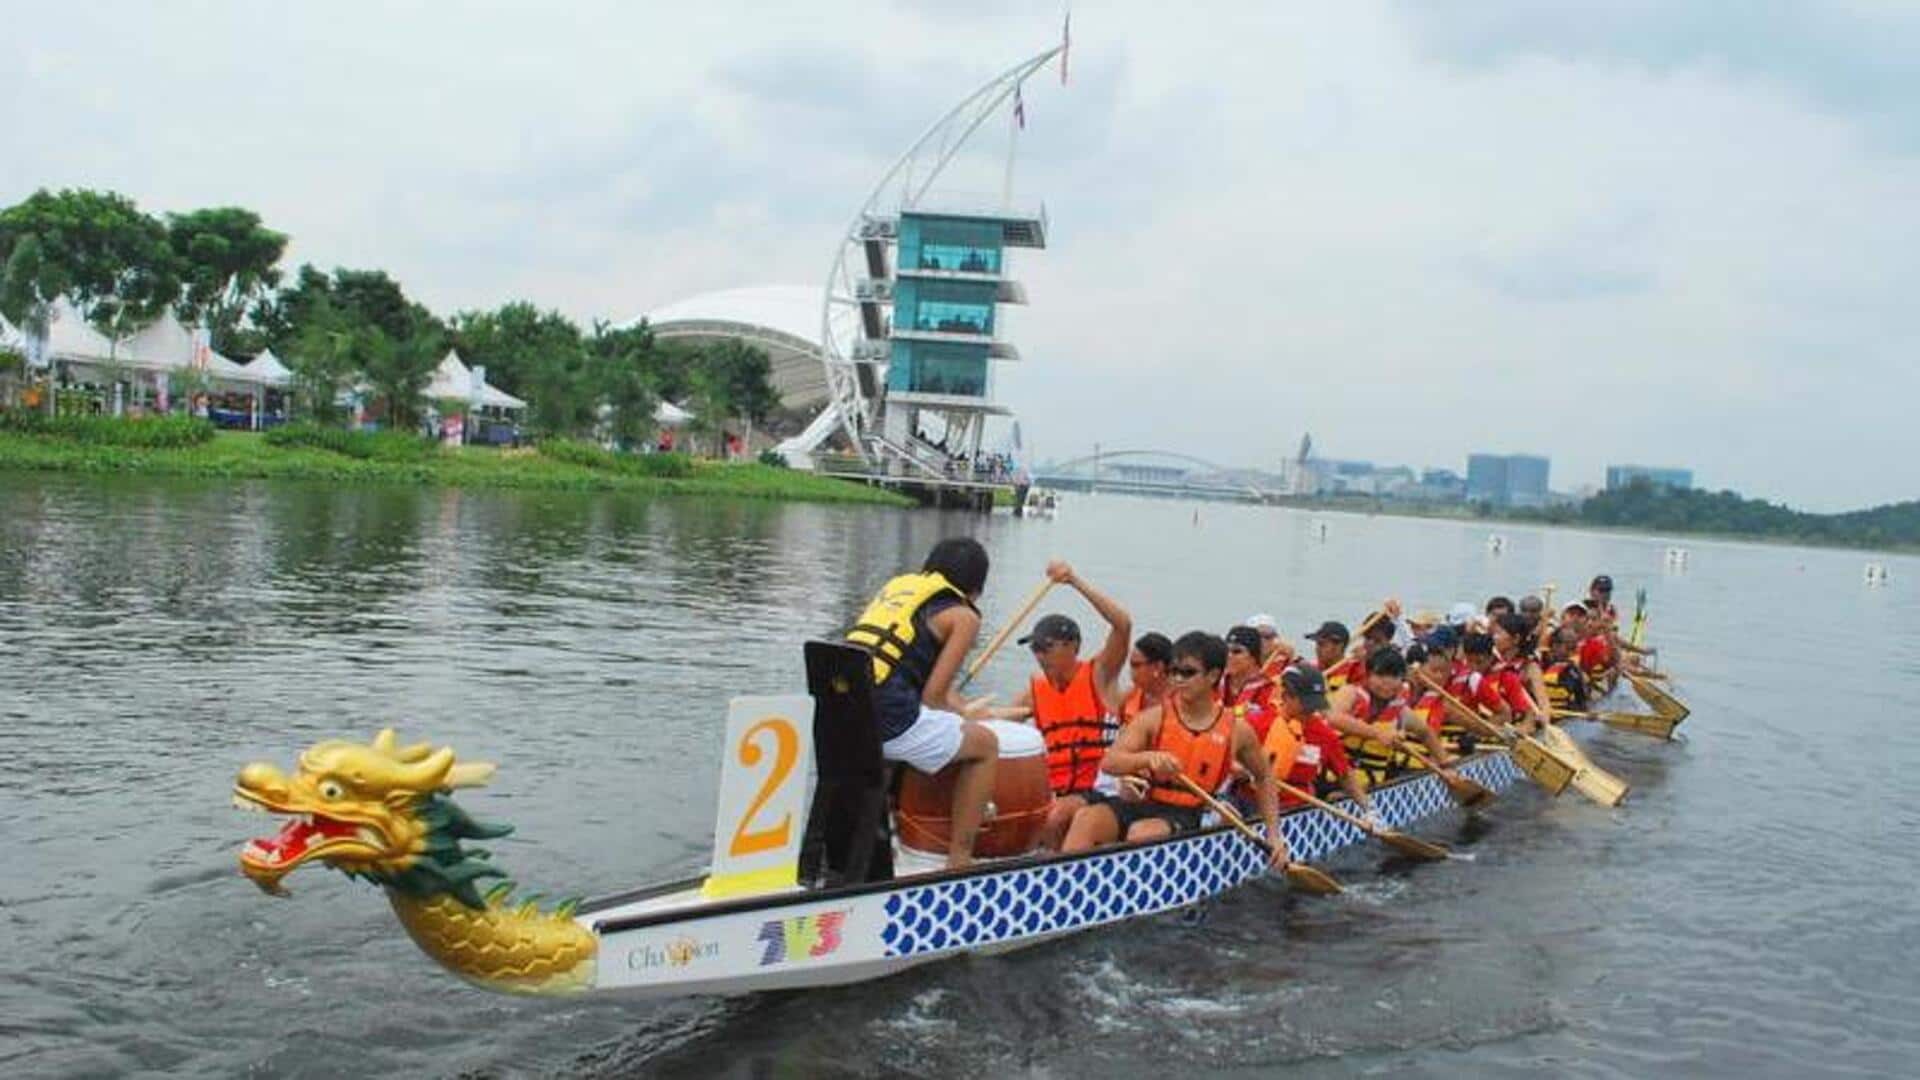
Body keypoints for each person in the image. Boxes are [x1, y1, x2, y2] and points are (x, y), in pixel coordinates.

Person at [1061, 632, 1286, 864]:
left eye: (1188, 672)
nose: (1178, 679)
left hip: (1191, 812)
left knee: (1143, 833)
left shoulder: (1238, 730)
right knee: (1087, 818)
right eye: (1174, 671)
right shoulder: (1154, 718)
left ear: (1213, 676)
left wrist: (1273, 834)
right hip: (1142, 803)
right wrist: (1147, 758)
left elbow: (1264, 777)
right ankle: (1065, 882)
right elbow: (1110, 763)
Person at [843, 537, 1000, 869]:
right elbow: (934, 698)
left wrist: (957, 707)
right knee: (985, 745)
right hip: (886, 720)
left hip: (842, 711)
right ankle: (959, 860)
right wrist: (969, 714)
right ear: (976, 586)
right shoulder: (963, 616)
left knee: (908, 740)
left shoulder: (899, 589)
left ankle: (872, 851)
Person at [1001, 561, 1132, 848]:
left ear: (1073, 646)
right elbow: (1000, 726)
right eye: (1034, 648)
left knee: (1053, 816)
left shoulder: (1100, 675)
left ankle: (1056, 869)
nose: (1038, 655)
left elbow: (1122, 624)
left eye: (1045, 647)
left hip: (1099, 787)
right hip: (1053, 789)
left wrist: (1075, 581)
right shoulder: (1035, 690)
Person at [1327, 646, 1458, 788]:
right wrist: (1377, 733)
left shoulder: (1399, 710)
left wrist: (1446, 765)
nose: (1387, 682)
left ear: (1403, 679)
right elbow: (1334, 718)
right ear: (1369, 675)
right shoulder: (1351, 693)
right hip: (1334, 778)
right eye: (1381, 675)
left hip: (1370, 784)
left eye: (1394, 677)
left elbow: (1426, 733)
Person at [1270, 665, 1373, 813]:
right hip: (1253, 802)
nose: (1311, 710)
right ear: (1286, 696)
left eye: (1315, 705)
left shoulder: (1325, 735)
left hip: (1297, 809)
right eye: (1306, 704)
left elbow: (1345, 776)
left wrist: (1368, 809)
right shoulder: (1260, 722)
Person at [1221, 625, 1279, 740]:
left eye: (1236, 651)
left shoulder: (1269, 690)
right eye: (1226, 650)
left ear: (1253, 657)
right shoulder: (1213, 684)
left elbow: (1267, 728)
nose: (1229, 656)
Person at [1117, 631, 1174, 727]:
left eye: (1136, 665)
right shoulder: (1127, 698)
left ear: (1157, 667)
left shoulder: (1183, 701)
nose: (1131, 672)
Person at [1306, 620, 1363, 690]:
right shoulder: (1310, 669)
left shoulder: (1354, 670)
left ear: (1339, 647)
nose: (1317, 649)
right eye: (1317, 644)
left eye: (1322, 644)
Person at [1245, 613, 1296, 677]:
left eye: (1268, 636)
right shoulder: (1237, 665)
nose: (1262, 641)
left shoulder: (1285, 665)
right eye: (1258, 636)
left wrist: (1292, 657)